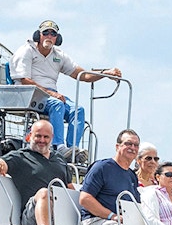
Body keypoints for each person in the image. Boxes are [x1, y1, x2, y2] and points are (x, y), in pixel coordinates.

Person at [10, 20, 121, 150]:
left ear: (57, 38)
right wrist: (51, 94)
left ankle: (73, 149)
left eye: (53, 34)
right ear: (38, 35)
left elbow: (83, 75)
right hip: (30, 94)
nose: (49, 36)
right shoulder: (27, 51)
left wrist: (106, 73)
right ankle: (59, 146)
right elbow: (24, 80)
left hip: (50, 95)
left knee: (78, 110)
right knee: (57, 104)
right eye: (45, 33)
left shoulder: (59, 55)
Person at [0, 119, 71, 225]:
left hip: (60, 215)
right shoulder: (21, 156)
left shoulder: (60, 159)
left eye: (46, 137)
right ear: (30, 136)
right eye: (38, 136)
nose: (42, 140)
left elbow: (70, 188)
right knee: (44, 193)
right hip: (32, 216)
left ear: (51, 138)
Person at [77, 129, 141, 225]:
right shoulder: (102, 167)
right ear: (117, 146)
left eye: (136, 145)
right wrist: (112, 216)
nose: (132, 147)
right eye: (128, 143)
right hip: (95, 223)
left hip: (120, 224)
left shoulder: (132, 176)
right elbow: (85, 199)